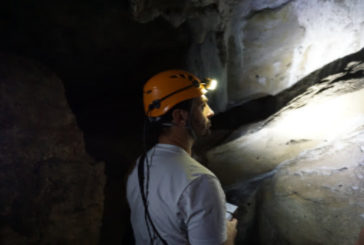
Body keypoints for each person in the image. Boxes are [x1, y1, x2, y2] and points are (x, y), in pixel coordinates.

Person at [127, 70, 238, 244]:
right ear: (179, 116)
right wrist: (229, 236)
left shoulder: (139, 166)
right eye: (202, 106)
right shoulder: (200, 181)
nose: (211, 112)